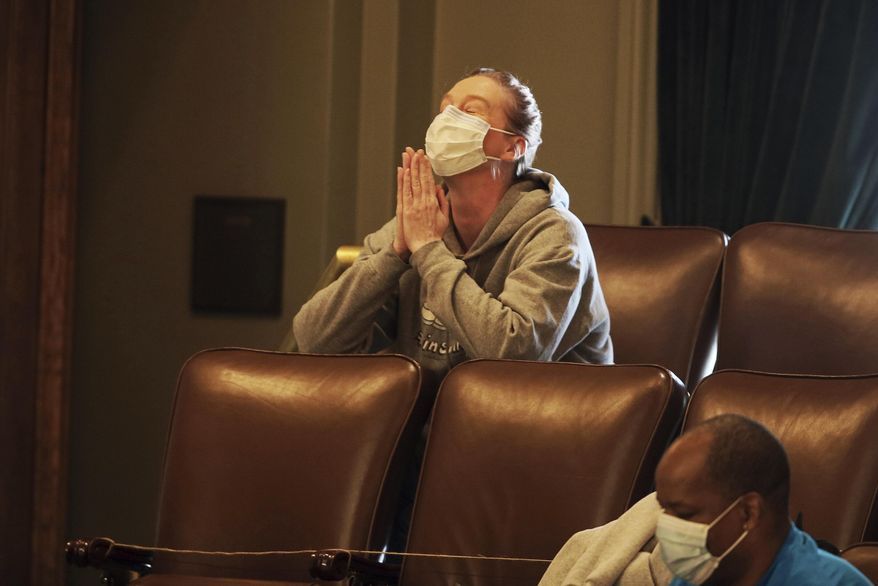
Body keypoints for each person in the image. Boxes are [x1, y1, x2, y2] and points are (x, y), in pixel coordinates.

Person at [287, 68, 612, 383]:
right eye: (444, 109)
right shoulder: (416, 226)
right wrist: (396, 254)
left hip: (544, 428)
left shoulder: (555, 234)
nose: (446, 121)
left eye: (469, 111)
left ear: (513, 146)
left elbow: (513, 357)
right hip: (432, 433)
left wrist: (429, 252)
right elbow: (314, 341)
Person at [540, 414, 872, 586]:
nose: (666, 529)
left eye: (683, 514)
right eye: (664, 511)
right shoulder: (702, 573)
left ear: (747, 513)